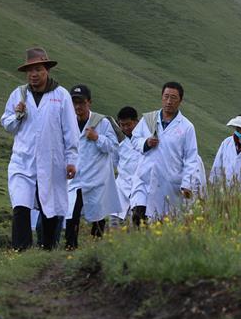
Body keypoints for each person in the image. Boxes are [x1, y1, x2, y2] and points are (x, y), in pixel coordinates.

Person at [0, 47, 78, 250]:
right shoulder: (19, 94)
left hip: (51, 160)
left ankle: (48, 247)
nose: (34, 74)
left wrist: (71, 160)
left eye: (38, 70)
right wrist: (17, 115)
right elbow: (7, 124)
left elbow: (70, 130)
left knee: (49, 206)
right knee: (20, 205)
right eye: (30, 70)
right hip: (22, 160)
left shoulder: (61, 96)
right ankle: (20, 250)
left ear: (47, 71)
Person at [130, 81, 200, 224]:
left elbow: (191, 158)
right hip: (145, 179)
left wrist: (187, 183)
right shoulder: (149, 119)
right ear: (161, 97)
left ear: (180, 101)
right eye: (166, 96)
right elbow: (134, 140)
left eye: (173, 98)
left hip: (169, 183)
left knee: (160, 222)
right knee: (138, 216)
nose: (169, 101)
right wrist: (146, 143)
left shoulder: (187, 127)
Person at [63, 85, 122, 249]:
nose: (77, 107)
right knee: (71, 214)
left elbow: (114, 147)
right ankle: (70, 247)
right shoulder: (68, 122)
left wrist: (97, 138)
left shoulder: (101, 123)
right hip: (75, 179)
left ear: (89, 102)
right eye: (74, 103)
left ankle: (96, 247)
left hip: (96, 179)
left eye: (81, 102)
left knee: (98, 214)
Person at [110, 106, 141, 227]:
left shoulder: (145, 140)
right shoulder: (119, 143)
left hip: (139, 189)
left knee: (136, 226)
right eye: (122, 125)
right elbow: (113, 162)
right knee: (114, 224)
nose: (126, 128)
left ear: (136, 122)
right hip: (121, 188)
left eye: (129, 124)